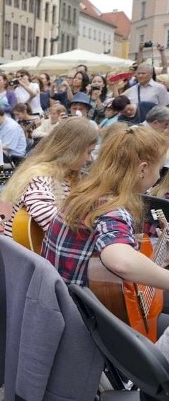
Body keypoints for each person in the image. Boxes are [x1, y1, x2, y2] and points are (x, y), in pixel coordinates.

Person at [40, 124, 169, 357]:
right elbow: (120, 261)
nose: (160, 176)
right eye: (160, 169)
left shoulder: (83, 194)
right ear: (142, 169)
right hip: (87, 325)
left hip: (58, 307)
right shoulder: (112, 208)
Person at [0, 117, 98, 241]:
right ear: (72, 151)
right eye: (88, 152)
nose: (89, 159)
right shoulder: (40, 176)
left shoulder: (66, 173)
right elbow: (46, 215)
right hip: (26, 253)